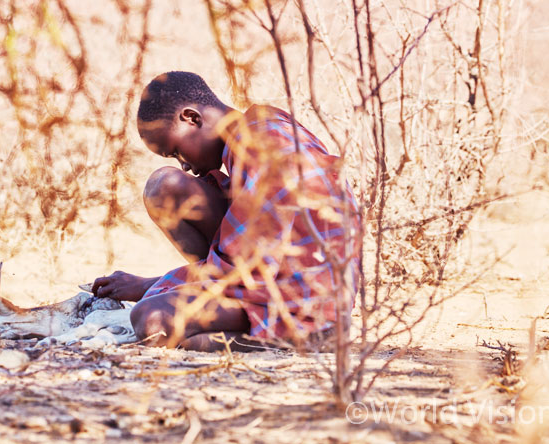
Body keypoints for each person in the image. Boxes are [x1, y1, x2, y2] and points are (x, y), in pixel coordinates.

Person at [92, 71, 362, 352]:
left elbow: (249, 269)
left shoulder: (260, 146)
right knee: (164, 186)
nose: (183, 165)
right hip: (280, 278)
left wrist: (151, 286)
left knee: (151, 319)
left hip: (307, 299)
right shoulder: (258, 129)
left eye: (176, 151)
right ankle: (227, 327)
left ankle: (302, 337)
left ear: (192, 118)